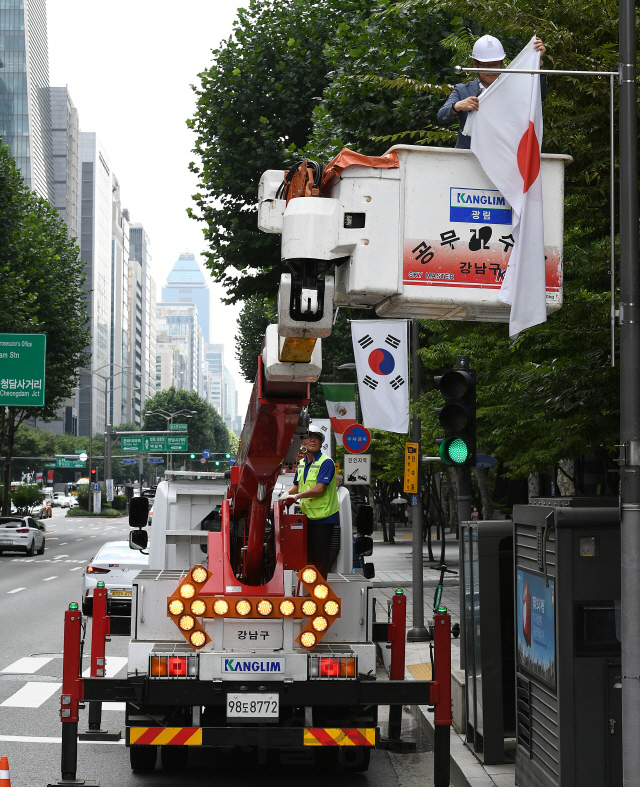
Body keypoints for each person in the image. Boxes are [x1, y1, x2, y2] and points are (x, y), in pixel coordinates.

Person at [437, 34, 547, 149]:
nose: (491, 70)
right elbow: (441, 117)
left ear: (502, 62)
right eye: (486, 65)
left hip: (503, 156)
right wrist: (457, 106)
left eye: (495, 64)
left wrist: (538, 62)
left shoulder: (512, 90)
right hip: (467, 158)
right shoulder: (462, 90)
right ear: (475, 64)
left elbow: (538, 96)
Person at [283, 423, 340, 578]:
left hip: (324, 518)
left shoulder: (326, 462)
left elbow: (320, 488)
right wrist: (285, 495)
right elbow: (296, 486)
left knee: (320, 562)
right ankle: (309, 594)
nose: (312, 440)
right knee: (308, 561)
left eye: (316, 438)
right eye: (308, 437)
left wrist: (296, 497)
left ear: (321, 442)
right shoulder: (301, 464)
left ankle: (318, 596)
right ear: (303, 442)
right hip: (307, 518)